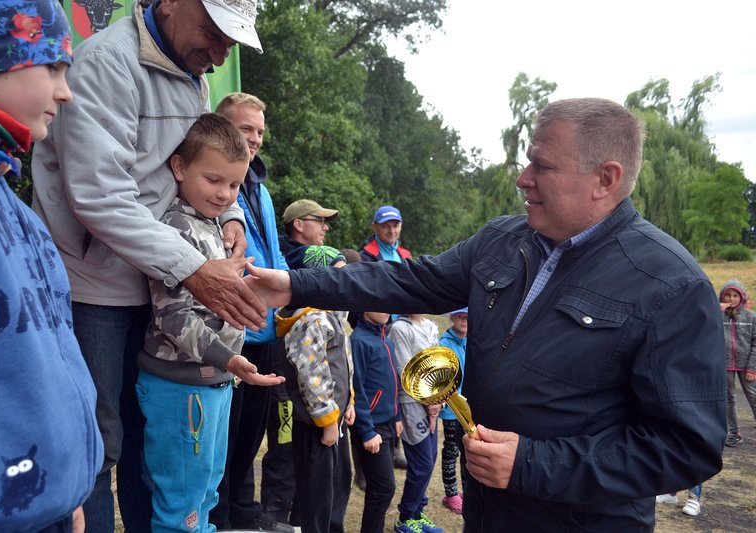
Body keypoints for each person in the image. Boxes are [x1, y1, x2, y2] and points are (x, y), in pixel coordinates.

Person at [239, 98, 728, 530]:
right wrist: (295, 284)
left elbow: (687, 446)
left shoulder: (670, 285)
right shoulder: (503, 239)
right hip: (487, 509)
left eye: (542, 166)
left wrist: (532, 463)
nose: (523, 178)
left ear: (605, 178)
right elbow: (407, 279)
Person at [30, 1, 268, 530]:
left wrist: (231, 215)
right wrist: (193, 268)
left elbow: (199, 160)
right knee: (95, 443)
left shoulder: (194, 79)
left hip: (154, 288)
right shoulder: (105, 64)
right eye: (214, 31)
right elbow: (99, 197)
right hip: (95, 290)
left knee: (149, 449)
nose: (220, 50)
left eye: (232, 41)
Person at [0, 1, 102, 530]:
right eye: (54, 67)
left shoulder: (13, 205)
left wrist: (67, 485)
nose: (66, 91)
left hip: (42, 508)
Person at [136, 113, 284, 532]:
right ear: (179, 167)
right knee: (180, 502)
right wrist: (227, 357)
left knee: (207, 490)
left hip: (213, 381)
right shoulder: (173, 228)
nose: (225, 194)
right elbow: (173, 315)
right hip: (180, 385)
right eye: (214, 180)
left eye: (234, 186)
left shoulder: (217, 225)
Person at [210, 92, 293, 532]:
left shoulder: (258, 186)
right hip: (234, 326)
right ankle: (219, 516)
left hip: (267, 327)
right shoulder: (216, 185)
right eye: (246, 129)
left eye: (259, 131)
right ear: (222, 128)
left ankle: (243, 510)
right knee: (226, 432)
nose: (255, 138)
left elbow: (274, 251)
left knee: (252, 435)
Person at [275, 245, 354, 533]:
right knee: (317, 497)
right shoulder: (310, 320)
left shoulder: (332, 314)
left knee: (339, 485)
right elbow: (312, 375)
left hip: (335, 419)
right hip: (317, 426)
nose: (345, 283)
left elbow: (342, 363)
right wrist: (326, 420)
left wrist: (350, 401)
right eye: (338, 275)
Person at [359, 204, 411, 469]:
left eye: (395, 224)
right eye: (386, 225)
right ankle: (367, 460)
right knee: (370, 386)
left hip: (400, 325)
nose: (391, 229)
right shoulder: (366, 256)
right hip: (375, 326)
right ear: (375, 228)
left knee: (398, 381)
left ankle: (395, 447)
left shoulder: (405, 254)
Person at [387, 314, 444, 533]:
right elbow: (403, 371)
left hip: (432, 402)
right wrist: (428, 401)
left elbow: (439, 365)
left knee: (430, 459)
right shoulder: (400, 328)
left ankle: (418, 513)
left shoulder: (430, 326)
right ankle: (405, 517)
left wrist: (437, 399)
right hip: (411, 402)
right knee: (422, 463)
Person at [349, 310, 401, 533]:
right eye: (381, 305)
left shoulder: (385, 340)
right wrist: (367, 431)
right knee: (384, 488)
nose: (387, 310)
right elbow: (357, 389)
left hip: (388, 423)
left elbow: (393, 380)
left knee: (381, 489)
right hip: (372, 427)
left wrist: (397, 416)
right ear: (366, 310)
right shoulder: (358, 341)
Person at [437, 308, 469, 514]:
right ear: (452, 318)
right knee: (451, 450)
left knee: (468, 451)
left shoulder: (474, 342)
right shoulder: (444, 344)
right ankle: (451, 494)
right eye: (460, 316)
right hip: (451, 409)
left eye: (467, 317)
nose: (464, 321)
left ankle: (468, 491)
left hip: (469, 409)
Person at [720, 279, 756, 447]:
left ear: (742, 298)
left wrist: (752, 368)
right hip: (725, 363)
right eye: (728, 295)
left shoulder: (751, 317)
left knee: (753, 396)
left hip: (746, 365)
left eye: (735, 295)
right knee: (729, 399)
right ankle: (734, 433)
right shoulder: (718, 315)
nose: (731, 299)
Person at [280, 198, 339, 263]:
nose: (326, 228)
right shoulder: (284, 261)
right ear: (298, 225)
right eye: (320, 220)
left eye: (324, 222)